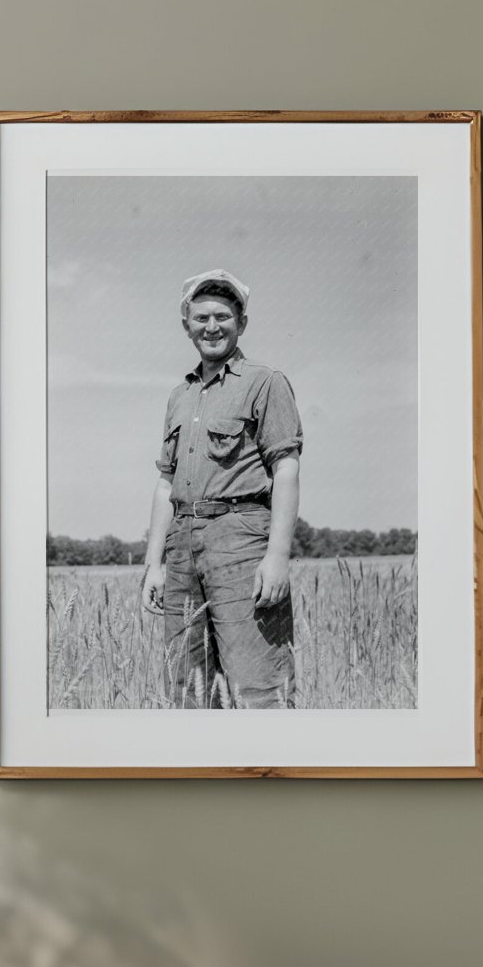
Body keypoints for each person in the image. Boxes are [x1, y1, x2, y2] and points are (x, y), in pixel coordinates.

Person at [140, 270, 303, 708]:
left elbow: (285, 467)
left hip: (241, 542)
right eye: (201, 318)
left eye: (223, 317)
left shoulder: (264, 382)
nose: (211, 326)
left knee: (260, 686)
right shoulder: (179, 396)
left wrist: (277, 556)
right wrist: (154, 563)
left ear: (241, 323)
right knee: (188, 691)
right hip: (181, 548)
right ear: (187, 326)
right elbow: (165, 483)